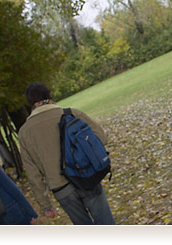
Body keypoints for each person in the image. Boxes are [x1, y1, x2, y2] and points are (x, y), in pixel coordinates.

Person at [18, 82, 116, 225]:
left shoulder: (24, 133)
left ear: (29, 102)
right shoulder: (71, 114)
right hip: (86, 176)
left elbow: (33, 174)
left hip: (61, 189)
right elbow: (101, 137)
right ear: (49, 95)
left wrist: (45, 204)